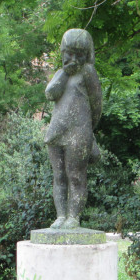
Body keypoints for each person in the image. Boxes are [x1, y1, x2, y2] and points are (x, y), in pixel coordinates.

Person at [44, 28, 103, 230]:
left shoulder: (88, 72)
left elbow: (97, 105)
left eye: (79, 55)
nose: (74, 59)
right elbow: (50, 94)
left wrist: (89, 130)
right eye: (69, 53)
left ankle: (73, 217)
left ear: (87, 55)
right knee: (59, 176)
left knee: (75, 175)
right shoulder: (60, 74)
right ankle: (61, 216)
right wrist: (64, 73)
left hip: (79, 132)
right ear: (63, 52)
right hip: (57, 132)